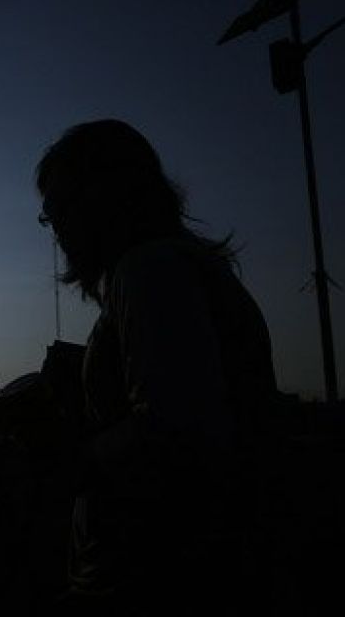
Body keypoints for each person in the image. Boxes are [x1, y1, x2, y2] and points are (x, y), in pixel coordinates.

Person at [32, 119, 277, 615]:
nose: (54, 226)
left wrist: (72, 462)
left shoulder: (149, 271)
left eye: (59, 207)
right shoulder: (175, 268)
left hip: (157, 579)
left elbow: (177, 425)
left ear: (103, 198)